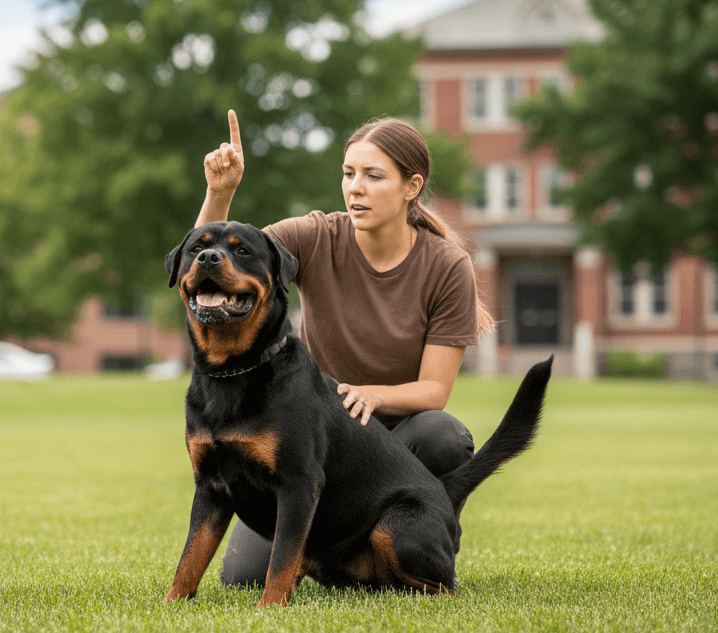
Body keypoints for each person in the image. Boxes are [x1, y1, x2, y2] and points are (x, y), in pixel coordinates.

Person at [195, 110, 495, 587]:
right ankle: (335, 558)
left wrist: (372, 394)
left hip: (397, 441)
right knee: (242, 578)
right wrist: (220, 192)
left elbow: (434, 389)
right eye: (348, 173)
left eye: (373, 176)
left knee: (444, 435)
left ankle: (420, 543)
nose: (355, 187)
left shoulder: (446, 266)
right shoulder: (316, 235)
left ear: (411, 186)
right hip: (311, 440)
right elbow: (216, 261)